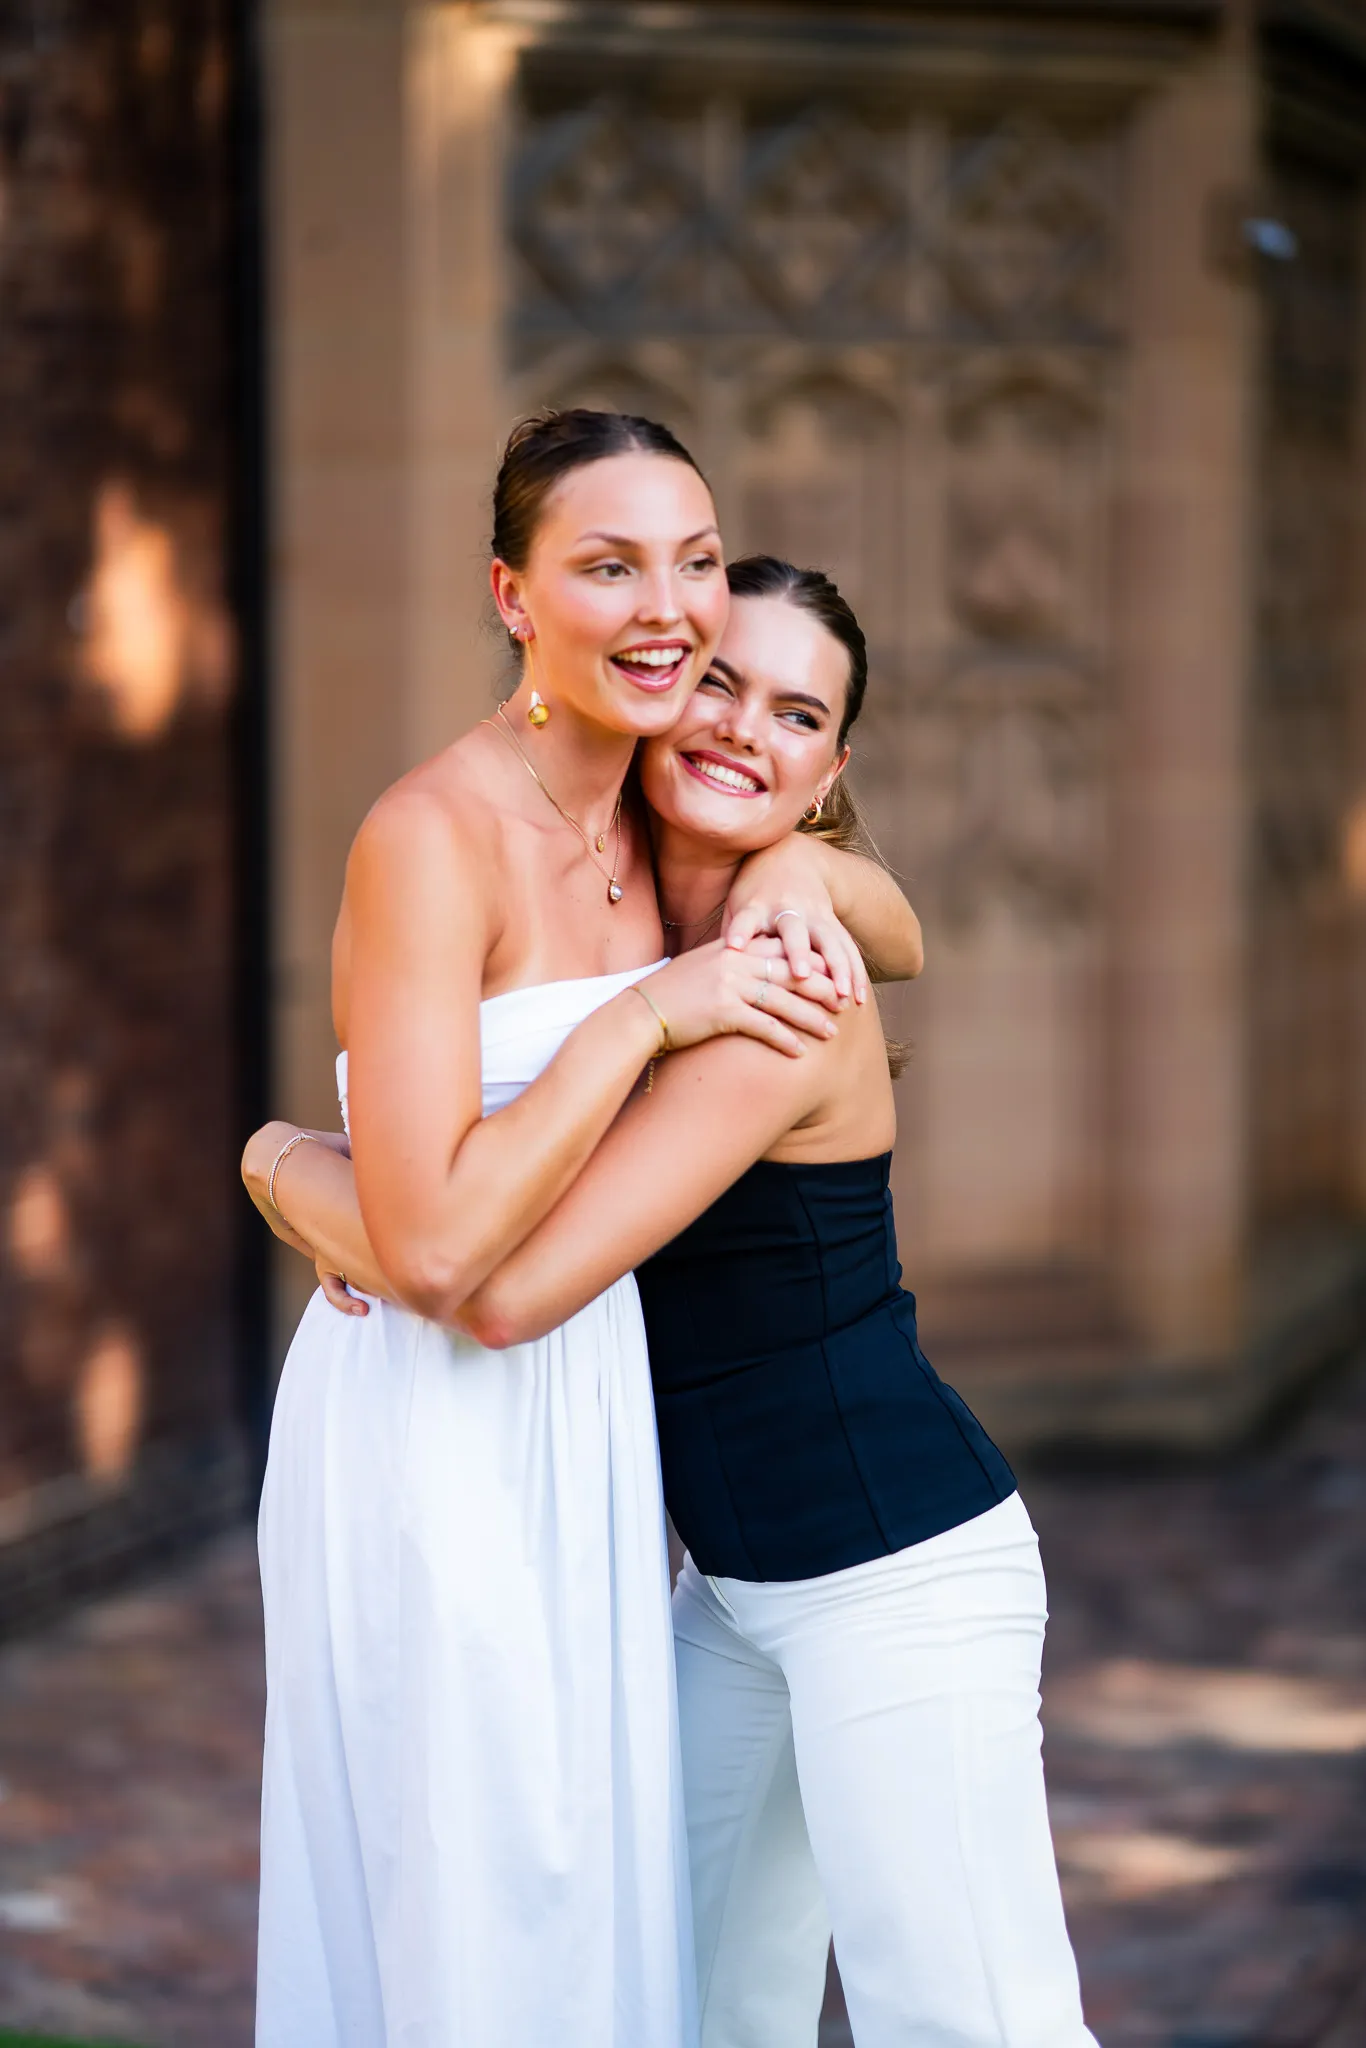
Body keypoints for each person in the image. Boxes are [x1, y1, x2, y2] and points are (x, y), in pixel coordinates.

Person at [252, 554, 1099, 2048]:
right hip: (732, 1597)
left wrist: (276, 1167)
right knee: (685, 2007)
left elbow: (500, 1286)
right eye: (718, 681)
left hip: (895, 1576)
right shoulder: (629, 929)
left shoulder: (779, 992)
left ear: (830, 770)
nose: (740, 730)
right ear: (653, 690)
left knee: (967, 2026)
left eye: (795, 713)